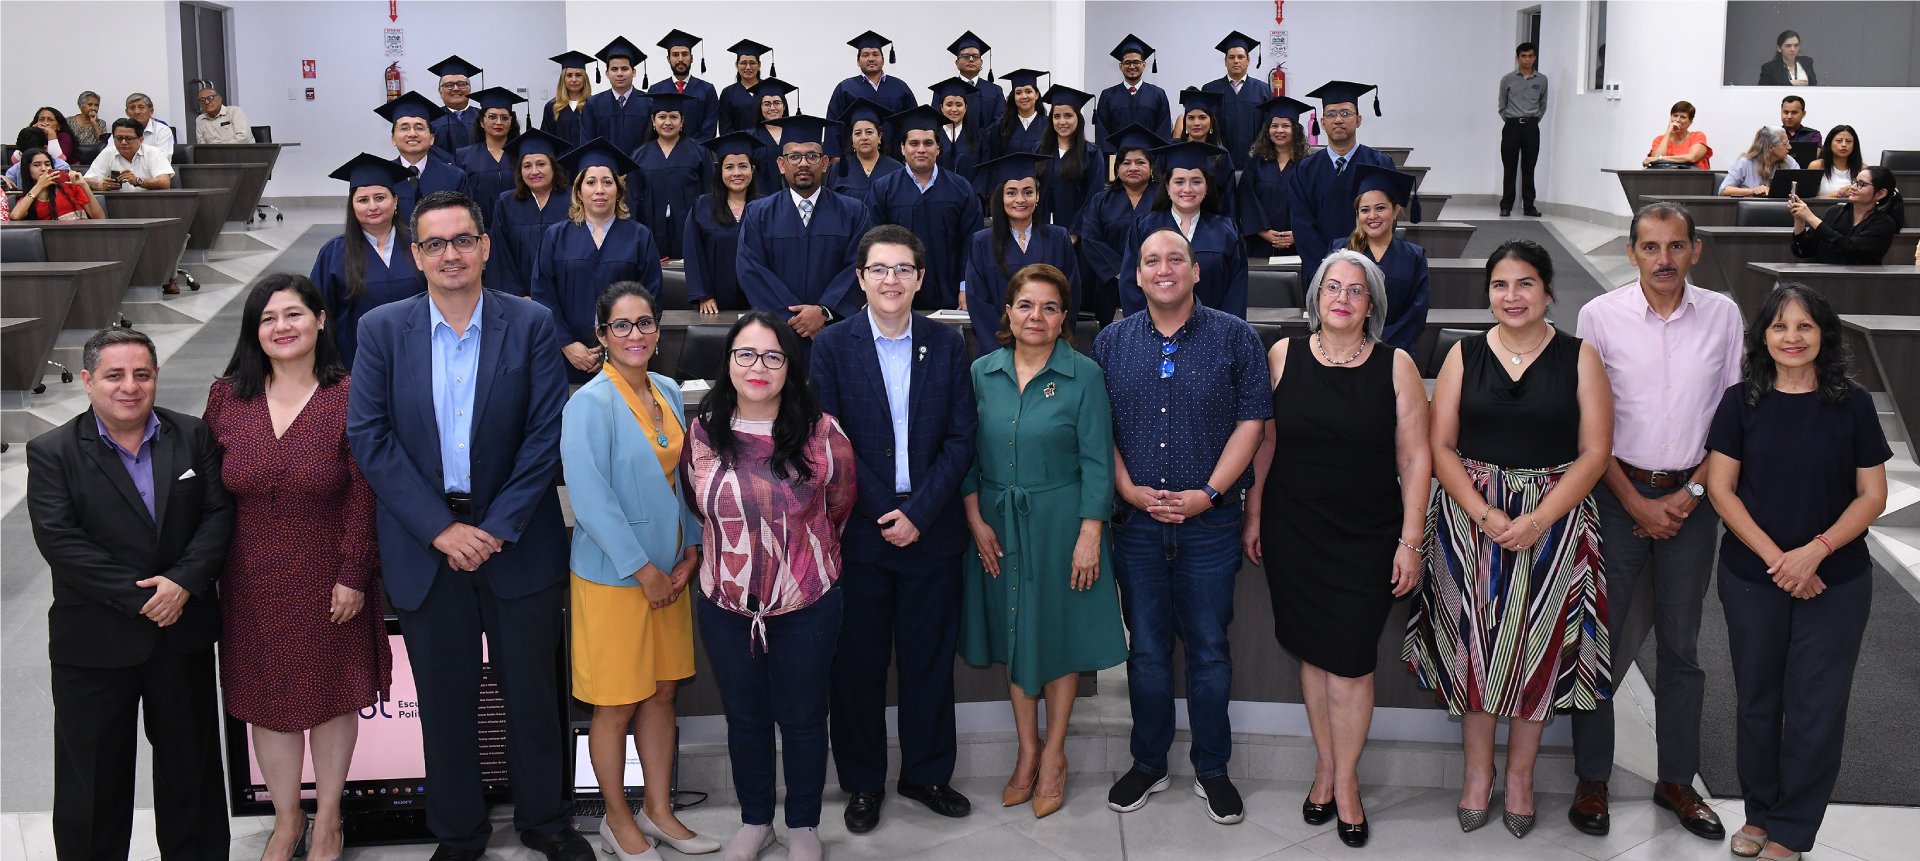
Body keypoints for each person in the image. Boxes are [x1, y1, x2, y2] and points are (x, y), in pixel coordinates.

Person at [346, 190, 584, 861]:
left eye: (461, 240)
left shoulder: (531, 322)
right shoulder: (382, 330)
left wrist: (497, 525)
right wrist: (439, 529)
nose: (450, 254)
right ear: (417, 256)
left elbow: (545, 432)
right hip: (427, 545)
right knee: (445, 703)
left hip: (516, 538)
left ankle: (546, 821)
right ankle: (459, 830)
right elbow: (370, 436)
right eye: (434, 244)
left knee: (533, 697)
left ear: (483, 246)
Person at [1405, 239, 1613, 840]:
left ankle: (1519, 778)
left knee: (1538, 656)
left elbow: (1596, 452)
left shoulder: (1580, 357)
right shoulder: (1462, 356)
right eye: (1500, 284)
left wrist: (1536, 519)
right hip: (1470, 525)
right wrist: (1484, 513)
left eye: (1525, 283)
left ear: (1549, 291)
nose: (1512, 296)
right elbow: (1439, 447)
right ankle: (1478, 774)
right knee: (1473, 652)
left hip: (1554, 524)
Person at [1567, 200, 1744, 840]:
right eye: (1650, 247)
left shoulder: (1723, 316)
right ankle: (1592, 777)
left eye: (1676, 247)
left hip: (1695, 501)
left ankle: (1676, 780)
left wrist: (1691, 494)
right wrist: (1637, 502)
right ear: (1632, 252)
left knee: (1682, 646)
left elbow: (1732, 418)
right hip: (1615, 495)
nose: (1663, 259)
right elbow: (1590, 423)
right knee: (1601, 640)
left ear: (1694, 251)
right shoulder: (1600, 316)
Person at [1243, 248, 1432, 848]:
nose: (1343, 298)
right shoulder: (1282, 355)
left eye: (1356, 290)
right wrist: (1254, 513)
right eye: (1333, 287)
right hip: (1293, 527)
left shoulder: (1396, 365)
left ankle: (1345, 781)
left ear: (1371, 303)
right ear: (1316, 297)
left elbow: (1415, 458)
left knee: (1350, 661)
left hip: (1368, 534)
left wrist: (1412, 539)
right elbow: (1265, 444)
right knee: (1313, 655)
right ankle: (1325, 768)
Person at [28, 326, 235, 861]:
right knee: (92, 783)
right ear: (87, 381)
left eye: (142, 374)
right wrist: (147, 596)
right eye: (114, 375)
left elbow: (217, 515)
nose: (130, 386)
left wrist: (184, 582)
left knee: (191, 773)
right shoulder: (51, 452)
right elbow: (61, 541)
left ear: (156, 378)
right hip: (94, 644)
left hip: (181, 635)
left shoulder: (192, 436)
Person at [206, 273, 388, 861]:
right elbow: (210, 496)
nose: (281, 327)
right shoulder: (226, 398)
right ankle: (288, 820)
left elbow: (367, 491)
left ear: (320, 321)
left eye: (293, 314)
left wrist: (354, 573)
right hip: (250, 577)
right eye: (268, 318)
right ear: (253, 331)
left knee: (332, 698)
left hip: (330, 574)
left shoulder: (352, 393)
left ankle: (329, 820)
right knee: (268, 701)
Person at [1705, 284, 1888, 861]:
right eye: (1780, 326)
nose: (1792, 338)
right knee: (1758, 699)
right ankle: (1759, 814)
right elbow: (1721, 489)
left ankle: (1792, 828)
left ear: (1824, 335)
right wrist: (1779, 560)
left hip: (1836, 579)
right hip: (1751, 576)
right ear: (1762, 336)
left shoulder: (1853, 403)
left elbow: (1872, 495)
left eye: (1805, 326)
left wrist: (1815, 551)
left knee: (1817, 703)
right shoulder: (1739, 402)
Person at [808, 224, 979, 834]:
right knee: (856, 666)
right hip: (859, 532)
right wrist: (886, 512)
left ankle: (927, 774)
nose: (891, 280)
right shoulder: (831, 346)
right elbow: (828, 442)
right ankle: (862, 783)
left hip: (931, 530)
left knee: (929, 661)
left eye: (903, 269)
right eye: (879, 269)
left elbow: (961, 438)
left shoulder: (947, 343)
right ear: (860, 278)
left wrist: (920, 512)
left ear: (921, 278)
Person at [1096, 227, 1269, 825]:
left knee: (1209, 651)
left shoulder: (1236, 337)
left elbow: (1252, 423)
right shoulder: (1111, 342)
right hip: (1136, 526)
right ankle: (1148, 762)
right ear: (1136, 276)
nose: (1164, 268)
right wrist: (1125, 489)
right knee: (1144, 653)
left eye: (1176, 258)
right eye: (1151, 261)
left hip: (1210, 526)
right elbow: (1100, 431)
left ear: (1197, 270)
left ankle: (1212, 768)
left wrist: (1209, 494)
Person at [681, 313, 855, 861]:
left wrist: (794, 563)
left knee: (804, 717)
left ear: (791, 367)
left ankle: (803, 824)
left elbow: (838, 508)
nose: (759, 367)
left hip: (807, 600)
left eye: (773, 357)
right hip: (726, 602)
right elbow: (698, 505)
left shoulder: (824, 433)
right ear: (728, 362)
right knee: (746, 717)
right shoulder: (704, 432)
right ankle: (755, 821)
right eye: (746, 355)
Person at [959, 263, 1126, 819]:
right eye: (1026, 305)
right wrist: (975, 519)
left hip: (1062, 524)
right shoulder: (982, 371)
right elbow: (963, 450)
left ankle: (1054, 756)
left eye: (1050, 307)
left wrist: (1090, 533)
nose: (1037, 316)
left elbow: (1098, 462)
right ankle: (1026, 752)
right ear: (1007, 311)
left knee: (1056, 637)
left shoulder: (1084, 375)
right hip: (997, 523)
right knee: (1015, 633)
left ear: (1064, 318)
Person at [561, 281, 719, 861]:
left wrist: (693, 548)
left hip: (672, 573)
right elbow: (590, 495)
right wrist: (643, 571)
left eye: (645, 323)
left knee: (661, 695)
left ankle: (659, 810)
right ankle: (616, 818)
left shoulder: (670, 390)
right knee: (617, 702)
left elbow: (684, 478)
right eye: (621, 326)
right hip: (615, 578)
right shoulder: (588, 403)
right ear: (601, 336)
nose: (636, 334)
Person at [736, 114, 874, 355]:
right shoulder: (758, 213)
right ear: (781, 164)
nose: (803, 163)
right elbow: (751, 270)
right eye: (794, 157)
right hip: (777, 335)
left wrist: (824, 311)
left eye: (812, 156)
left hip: (836, 331)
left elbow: (861, 265)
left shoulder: (853, 212)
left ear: (825, 163)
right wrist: (796, 319)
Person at [531, 139, 663, 385]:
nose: (599, 190)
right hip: (566, 360)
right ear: (579, 192)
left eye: (607, 182)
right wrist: (567, 345)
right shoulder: (556, 237)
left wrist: (615, 345)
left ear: (619, 191)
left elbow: (651, 297)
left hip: (626, 356)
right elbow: (543, 294)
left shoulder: (639, 237)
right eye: (591, 183)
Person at [309, 154, 426, 370]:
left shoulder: (420, 245)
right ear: (352, 206)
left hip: (419, 358)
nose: (372, 206)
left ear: (395, 200)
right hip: (355, 364)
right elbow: (318, 314)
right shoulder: (334, 254)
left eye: (380, 197)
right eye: (363, 200)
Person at [866, 105, 982, 311]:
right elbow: (872, 244)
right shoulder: (883, 189)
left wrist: (966, 287)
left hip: (951, 293)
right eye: (914, 143)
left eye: (928, 143)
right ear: (902, 148)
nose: (921, 149)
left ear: (938, 147)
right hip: (897, 292)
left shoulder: (960, 189)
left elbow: (971, 242)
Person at [1119, 141, 1247, 319]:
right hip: (1155, 335)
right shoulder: (1144, 227)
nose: (1188, 189)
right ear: (1167, 187)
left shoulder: (1226, 231)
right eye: (1179, 181)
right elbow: (1130, 284)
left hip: (1213, 336)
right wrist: (1149, 330)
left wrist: (1223, 334)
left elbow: (1236, 290)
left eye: (1196, 181)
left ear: (1206, 187)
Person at [967, 153, 1082, 349]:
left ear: (1037, 196)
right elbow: (978, 302)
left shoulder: (1058, 238)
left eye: (1028, 192)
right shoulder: (982, 242)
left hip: (1049, 347)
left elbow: (1070, 295)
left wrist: (1051, 341)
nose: (1020, 199)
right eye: (1011, 192)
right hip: (998, 349)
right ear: (999, 198)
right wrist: (1003, 347)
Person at [1288, 80, 1397, 282]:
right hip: (1320, 270)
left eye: (1346, 113)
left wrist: (1360, 262)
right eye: (1331, 114)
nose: (1338, 119)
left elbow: (1386, 219)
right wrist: (1328, 266)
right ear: (1322, 122)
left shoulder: (1380, 164)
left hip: (1369, 267)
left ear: (1358, 120)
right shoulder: (1305, 170)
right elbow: (1302, 227)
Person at [1331, 164, 1430, 353]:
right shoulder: (1339, 250)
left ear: (1395, 211)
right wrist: (1355, 344)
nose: (1372, 216)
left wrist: (1379, 347)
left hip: (1396, 351)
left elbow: (1416, 314)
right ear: (1358, 214)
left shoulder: (1414, 256)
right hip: (1346, 349)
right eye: (1365, 210)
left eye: (1380, 208)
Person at [1075, 123, 1163, 327]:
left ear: (1151, 168)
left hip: (1158, 280)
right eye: (1125, 163)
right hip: (1110, 284)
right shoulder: (1101, 200)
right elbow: (1091, 239)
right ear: (1117, 168)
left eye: (1140, 162)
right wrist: (1122, 272)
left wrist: (1150, 270)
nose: (1133, 168)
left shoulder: (1164, 199)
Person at [485, 129, 571, 297]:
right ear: (520, 171)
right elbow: (501, 257)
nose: (534, 172)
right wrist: (519, 297)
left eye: (541, 164)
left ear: (554, 167)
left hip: (567, 297)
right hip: (521, 300)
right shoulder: (506, 204)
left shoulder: (573, 201)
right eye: (527, 166)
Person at [686, 132, 766, 314]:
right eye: (729, 167)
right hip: (715, 304)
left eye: (743, 166)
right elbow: (694, 252)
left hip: (760, 302)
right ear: (720, 171)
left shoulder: (766, 207)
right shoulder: (702, 207)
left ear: (752, 170)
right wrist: (704, 294)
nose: (736, 173)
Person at [627, 91, 711, 260]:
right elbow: (633, 199)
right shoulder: (639, 156)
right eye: (662, 117)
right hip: (651, 231)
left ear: (682, 121)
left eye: (673, 117)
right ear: (653, 120)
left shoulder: (699, 153)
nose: (667, 122)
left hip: (690, 229)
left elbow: (709, 194)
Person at [377, 91, 472, 230]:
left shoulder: (455, 177)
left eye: (419, 127)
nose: (412, 134)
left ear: (432, 138)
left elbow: (466, 224)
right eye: (404, 128)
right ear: (393, 139)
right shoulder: (381, 178)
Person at [1236, 96, 1310, 259]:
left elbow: (1314, 203)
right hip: (1261, 244)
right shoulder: (1256, 163)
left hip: (1299, 245)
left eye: (1286, 126)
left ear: (1295, 130)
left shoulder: (1307, 165)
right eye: (1274, 126)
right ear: (1267, 130)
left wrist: (1298, 233)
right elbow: (1246, 198)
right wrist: (1263, 231)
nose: (1279, 130)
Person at [1789, 166, 1902, 264]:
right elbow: (1805, 251)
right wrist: (1800, 219)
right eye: (1855, 181)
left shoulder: (1884, 223)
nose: (1852, 187)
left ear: (1881, 193)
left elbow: (1850, 249)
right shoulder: (1834, 212)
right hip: (1823, 279)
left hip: (1860, 283)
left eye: (1861, 184)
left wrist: (1811, 218)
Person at [1202, 32, 1271, 172]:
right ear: (1225, 61)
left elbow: (1268, 128)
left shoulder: (1263, 90)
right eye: (1231, 57)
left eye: (1241, 57)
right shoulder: (1210, 90)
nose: (1236, 61)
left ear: (1248, 60)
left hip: (1255, 163)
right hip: (1218, 162)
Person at [1092, 35, 1172, 152]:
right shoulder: (1107, 96)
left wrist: (1153, 159)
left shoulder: (1158, 95)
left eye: (1136, 62)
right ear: (1120, 66)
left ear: (1144, 65)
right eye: (1127, 63)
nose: (1132, 66)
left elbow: (1163, 131)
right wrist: (1115, 161)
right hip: (1117, 162)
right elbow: (1102, 133)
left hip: (1150, 161)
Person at [452, 87, 526, 213]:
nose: (498, 122)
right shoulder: (464, 156)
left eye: (504, 118)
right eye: (492, 117)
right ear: (481, 122)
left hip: (519, 222)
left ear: (511, 122)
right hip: (480, 226)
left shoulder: (522, 153)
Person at [1039, 85, 1101, 233]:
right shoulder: (1039, 150)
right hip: (1041, 230)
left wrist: (1075, 232)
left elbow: (1093, 197)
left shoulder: (1091, 154)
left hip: (1075, 234)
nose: (1062, 122)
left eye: (1068, 115)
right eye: (1056, 116)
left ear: (1078, 118)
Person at [1498, 42, 1548, 217]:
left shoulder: (1541, 80)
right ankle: (1506, 206)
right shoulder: (1508, 79)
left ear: (1534, 57)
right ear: (1517, 58)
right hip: (1511, 126)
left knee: (1529, 167)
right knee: (1509, 167)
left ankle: (1529, 206)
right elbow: (1502, 105)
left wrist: (1532, 120)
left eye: (1530, 56)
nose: (1527, 60)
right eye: (1523, 56)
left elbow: (1543, 104)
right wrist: (1511, 120)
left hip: (1531, 127)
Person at [1173, 88, 1237, 220]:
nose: (1196, 123)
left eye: (1202, 117)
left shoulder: (1221, 155)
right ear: (1185, 121)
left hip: (1212, 221)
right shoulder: (1172, 150)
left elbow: (1228, 197)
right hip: (1174, 222)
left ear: (1211, 121)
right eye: (1191, 118)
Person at [647, 30, 720, 143]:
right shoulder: (655, 90)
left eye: (685, 54)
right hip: (664, 153)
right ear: (668, 59)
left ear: (691, 58)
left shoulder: (707, 90)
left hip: (698, 154)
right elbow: (652, 127)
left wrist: (691, 149)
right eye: (675, 55)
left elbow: (710, 128)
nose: (680, 59)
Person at [828, 31, 917, 121]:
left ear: (883, 60)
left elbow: (913, 123)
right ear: (858, 61)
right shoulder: (845, 89)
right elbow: (834, 126)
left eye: (875, 54)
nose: (871, 59)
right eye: (865, 55)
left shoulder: (900, 87)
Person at [588, 38, 654, 155]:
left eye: (624, 69)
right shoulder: (593, 104)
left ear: (634, 72)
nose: (619, 74)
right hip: (604, 170)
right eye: (614, 69)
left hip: (640, 169)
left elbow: (652, 142)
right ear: (607, 73)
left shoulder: (648, 102)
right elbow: (588, 143)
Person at [825, 97, 901, 200]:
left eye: (869, 132)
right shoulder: (839, 169)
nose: (863, 137)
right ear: (852, 138)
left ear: (879, 136)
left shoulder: (896, 169)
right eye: (858, 133)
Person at [10, 148, 103, 221]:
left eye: (47, 164)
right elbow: (15, 216)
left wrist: (84, 185)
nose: (43, 169)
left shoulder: (69, 186)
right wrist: (39, 186)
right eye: (37, 165)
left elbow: (100, 218)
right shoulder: (30, 198)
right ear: (28, 170)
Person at [84, 118, 174, 192]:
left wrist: (138, 181)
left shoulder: (153, 153)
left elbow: (164, 182)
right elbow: (86, 181)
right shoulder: (107, 153)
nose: (123, 142)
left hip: (149, 203)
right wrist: (102, 186)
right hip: (116, 205)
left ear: (141, 140)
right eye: (119, 138)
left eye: (129, 138)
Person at [748, 79, 800, 194]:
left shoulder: (796, 134)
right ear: (760, 107)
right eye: (766, 104)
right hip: (760, 198)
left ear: (784, 106)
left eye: (777, 102)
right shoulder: (751, 137)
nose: (772, 108)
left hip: (794, 196)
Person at [427, 56, 482, 160]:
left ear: (469, 89)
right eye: (449, 85)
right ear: (440, 91)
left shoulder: (483, 117)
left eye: (462, 84)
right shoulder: (431, 119)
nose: (456, 89)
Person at [948, 31, 1005, 131]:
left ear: (981, 62)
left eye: (975, 57)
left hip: (987, 145)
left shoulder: (995, 91)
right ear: (957, 63)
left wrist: (981, 139)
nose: (971, 60)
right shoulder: (944, 89)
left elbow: (1000, 121)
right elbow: (938, 121)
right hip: (953, 145)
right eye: (965, 56)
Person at [1720, 127, 1799, 197]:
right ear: (1771, 147)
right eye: (1785, 144)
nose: (1789, 147)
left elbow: (1801, 186)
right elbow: (1724, 190)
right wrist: (1752, 191)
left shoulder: (1789, 161)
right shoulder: (1745, 163)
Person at [543, 51, 598, 146]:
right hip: (559, 160)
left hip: (586, 159)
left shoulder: (594, 105)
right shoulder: (552, 107)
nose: (574, 80)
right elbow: (546, 140)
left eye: (578, 75)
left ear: (584, 78)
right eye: (569, 75)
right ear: (563, 79)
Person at [719, 39, 773, 136]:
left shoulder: (770, 89)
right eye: (743, 63)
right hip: (739, 147)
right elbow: (725, 128)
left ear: (759, 65)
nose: (748, 67)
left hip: (767, 146)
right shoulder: (728, 93)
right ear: (737, 65)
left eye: (752, 63)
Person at [991, 69, 1049, 159]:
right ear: (1013, 97)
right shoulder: (1001, 125)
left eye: (1028, 91)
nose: (1023, 96)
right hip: (1008, 173)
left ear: (1036, 95)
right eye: (1018, 93)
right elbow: (994, 158)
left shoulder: (1049, 124)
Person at [1643, 101, 1712, 169]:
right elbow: (1657, 163)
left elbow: (1692, 158)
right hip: (1667, 178)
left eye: (1683, 117)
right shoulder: (1659, 139)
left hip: (1694, 178)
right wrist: (1668, 132)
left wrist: (1661, 158)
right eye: (1675, 116)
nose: (1677, 120)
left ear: (1690, 121)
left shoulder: (1698, 136)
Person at [1807, 124, 1861, 197]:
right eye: (1839, 141)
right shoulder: (1817, 166)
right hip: (1821, 208)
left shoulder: (1862, 169)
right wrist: (1839, 194)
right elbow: (1809, 200)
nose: (1844, 145)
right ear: (1830, 143)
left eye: (1848, 141)